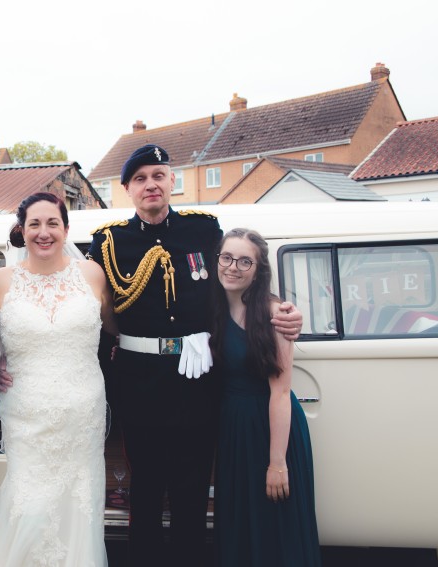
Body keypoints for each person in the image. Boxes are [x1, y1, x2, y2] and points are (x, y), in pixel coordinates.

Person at [85, 144, 302, 565]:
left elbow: (237, 281)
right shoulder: (109, 241)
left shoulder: (203, 230)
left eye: (159, 175)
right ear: (128, 188)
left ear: (171, 183)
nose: (151, 184)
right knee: (145, 489)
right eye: (141, 178)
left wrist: (282, 308)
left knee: (192, 489)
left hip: (198, 380)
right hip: (139, 380)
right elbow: (85, 302)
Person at [0, 192, 118, 567]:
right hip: (26, 414)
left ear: (65, 228)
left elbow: (118, 329)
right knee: (29, 501)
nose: (44, 232)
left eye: (52, 223)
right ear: (22, 231)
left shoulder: (92, 274)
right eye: (34, 224)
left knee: (78, 501)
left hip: (82, 413)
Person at [210, 228, 321, 566]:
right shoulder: (210, 306)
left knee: (276, 522)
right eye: (227, 258)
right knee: (239, 522)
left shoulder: (275, 314)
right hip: (234, 430)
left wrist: (277, 463)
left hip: (271, 429)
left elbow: (281, 391)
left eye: (245, 261)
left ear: (258, 270)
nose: (233, 267)